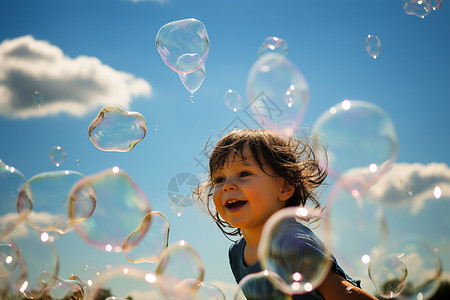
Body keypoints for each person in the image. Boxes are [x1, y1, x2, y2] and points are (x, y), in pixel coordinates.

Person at [194, 129, 378, 299]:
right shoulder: (236, 254)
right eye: (219, 179)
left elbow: (340, 291)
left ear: (284, 187)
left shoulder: (290, 240)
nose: (227, 185)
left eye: (243, 173)